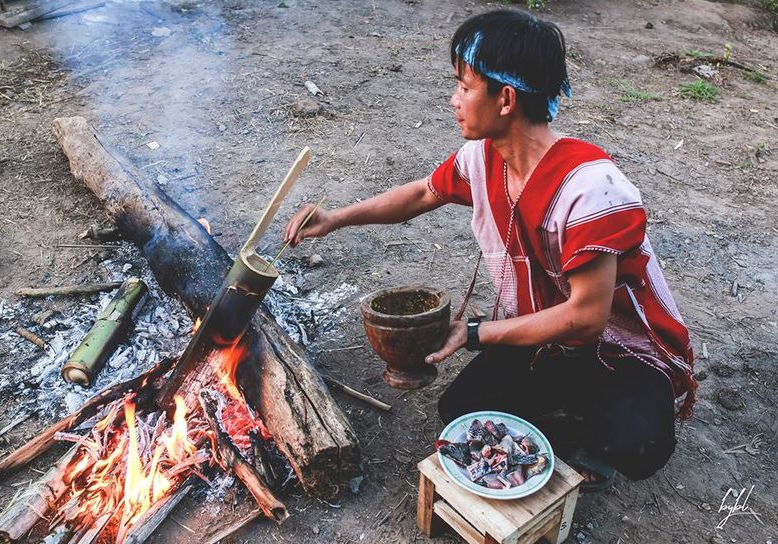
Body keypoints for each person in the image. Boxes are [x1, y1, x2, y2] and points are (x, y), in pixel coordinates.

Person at [284, 9, 696, 490]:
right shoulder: (483, 159)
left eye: (464, 86)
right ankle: (564, 412)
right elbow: (422, 194)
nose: (453, 99)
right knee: (459, 410)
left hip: (618, 350)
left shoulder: (592, 188)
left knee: (638, 443)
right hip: (546, 337)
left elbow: (587, 317)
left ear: (505, 99)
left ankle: (592, 416)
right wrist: (335, 219)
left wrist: (475, 333)